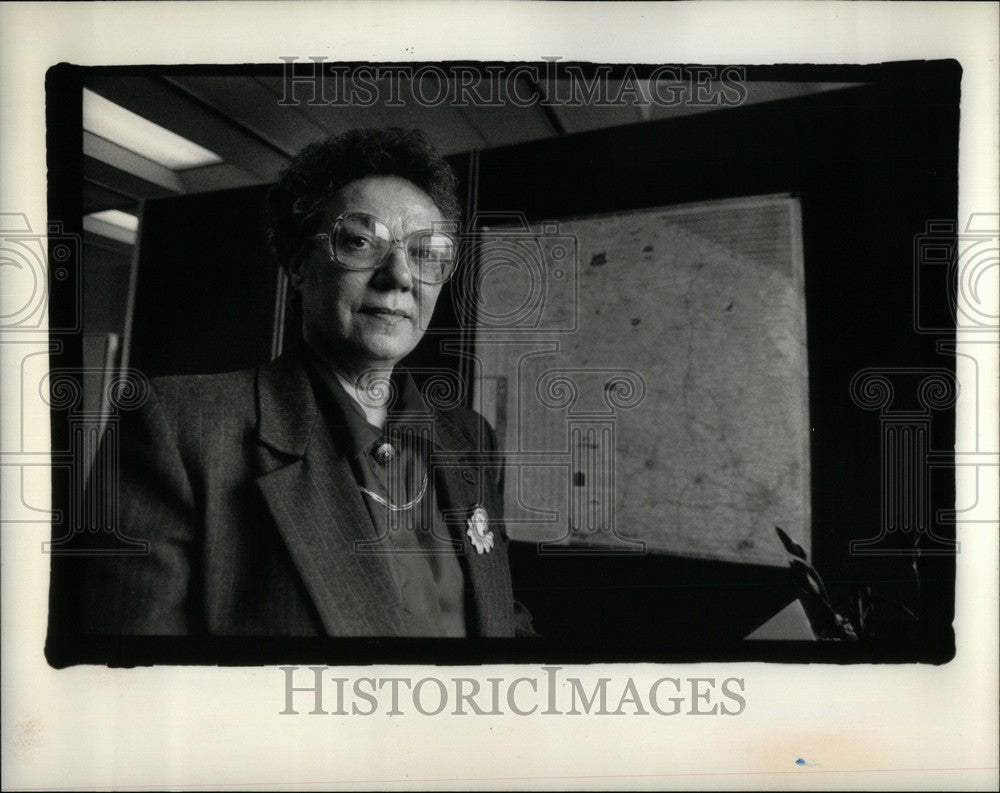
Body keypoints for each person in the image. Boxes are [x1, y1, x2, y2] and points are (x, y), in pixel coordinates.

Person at [48, 127, 532, 639]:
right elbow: (136, 685)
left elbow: (500, 614)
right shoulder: (179, 428)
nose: (400, 276)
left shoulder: (471, 440)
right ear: (300, 263)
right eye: (362, 241)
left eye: (425, 252)